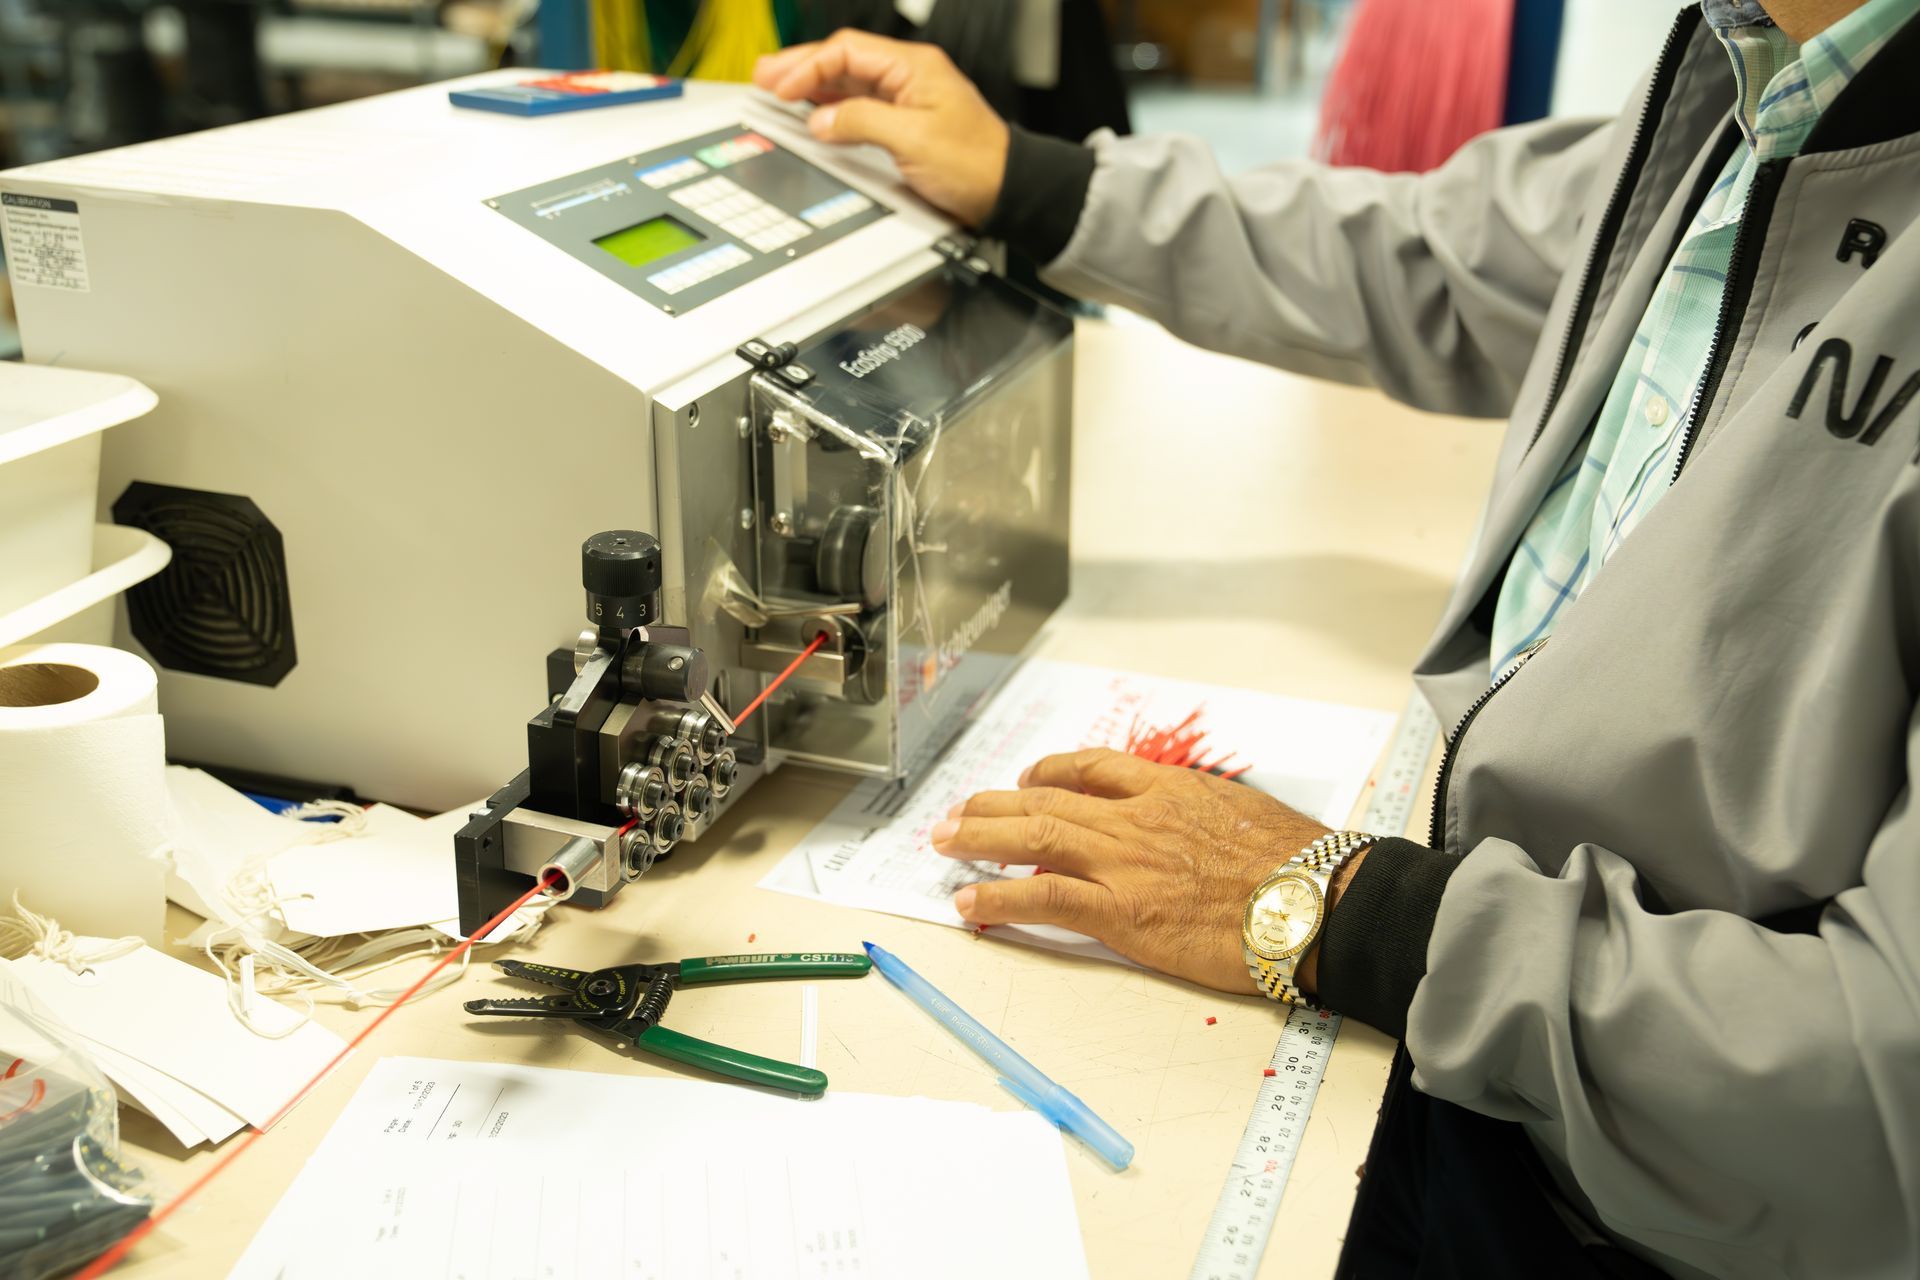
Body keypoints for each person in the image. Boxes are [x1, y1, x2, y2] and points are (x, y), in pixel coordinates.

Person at [756, 2, 1920, 1276]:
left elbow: (1879, 1095)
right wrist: (1032, 180)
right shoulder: (1746, 74)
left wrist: (1356, 914)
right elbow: (1437, 254)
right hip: (1483, 1001)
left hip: (1643, 1202)